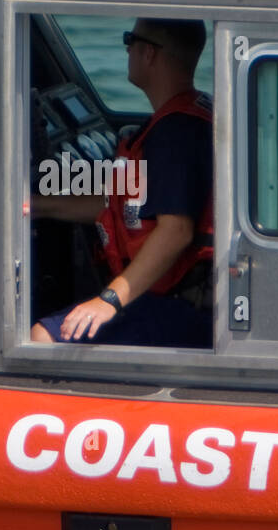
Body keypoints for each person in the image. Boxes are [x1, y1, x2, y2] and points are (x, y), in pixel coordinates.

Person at [30, 18, 212, 347]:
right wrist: (35, 205)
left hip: (182, 304)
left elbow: (176, 230)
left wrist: (109, 301)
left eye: (130, 38)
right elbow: (117, 204)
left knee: (43, 337)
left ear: (149, 54)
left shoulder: (176, 134)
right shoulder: (181, 118)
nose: (127, 47)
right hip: (173, 293)